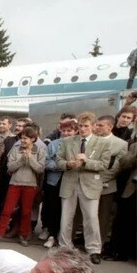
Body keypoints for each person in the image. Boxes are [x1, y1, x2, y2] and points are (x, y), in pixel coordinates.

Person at [56, 112, 110, 264]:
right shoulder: (67, 141)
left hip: (90, 185)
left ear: (93, 127)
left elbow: (104, 165)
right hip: (70, 182)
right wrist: (68, 164)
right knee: (66, 217)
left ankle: (94, 249)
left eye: (86, 126)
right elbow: (58, 160)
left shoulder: (103, 143)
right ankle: (64, 246)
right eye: (80, 126)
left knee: (91, 218)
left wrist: (87, 161)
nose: (82, 129)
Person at [0, 126, 45, 246]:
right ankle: (0, 233)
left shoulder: (39, 150)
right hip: (15, 183)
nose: (23, 141)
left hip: (30, 184)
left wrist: (30, 158)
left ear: (33, 139)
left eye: (26, 139)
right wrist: (21, 160)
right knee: (7, 209)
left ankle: (23, 235)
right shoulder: (16, 149)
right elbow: (10, 167)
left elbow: (40, 169)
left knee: (26, 212)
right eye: (22, 138)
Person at [42, 119, 78, 249]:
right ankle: (52, 235)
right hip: (54, 181)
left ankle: (63, 238)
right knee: (54, 209)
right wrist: (62, 166)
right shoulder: (54, 144)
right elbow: (46, 162)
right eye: (64, 130)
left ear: (76, 131)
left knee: (67, 212)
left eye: (70, 131)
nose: (67, 133)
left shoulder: (79, 144)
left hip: (72, 181)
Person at [94, 115, 128, 254]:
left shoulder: (121, 144)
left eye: (100, 125)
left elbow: (117, 167)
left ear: (110, 126)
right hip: (87, 184)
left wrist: (100, 180)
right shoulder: (91, 140)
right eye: (97, 125)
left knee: (103, 217)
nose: (97, 128)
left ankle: (98, 247)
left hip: (106, 186)